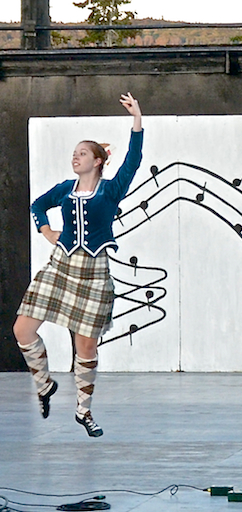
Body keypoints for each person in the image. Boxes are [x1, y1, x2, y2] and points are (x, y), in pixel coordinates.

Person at [13, 93, 144, 438]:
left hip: (94, 270)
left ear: (98, 161)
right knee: (22, 329)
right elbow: (38, 205)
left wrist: (137, 119)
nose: (76, 157)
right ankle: (44, 384)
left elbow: (133, 161)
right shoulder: (65, 189)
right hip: (61, 265)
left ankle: (83, 410)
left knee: (85, 346)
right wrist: (46, 231)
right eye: (74, 153)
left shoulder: (111, 190)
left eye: (83, 153)